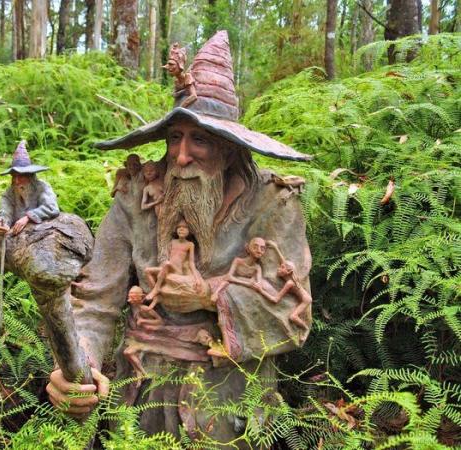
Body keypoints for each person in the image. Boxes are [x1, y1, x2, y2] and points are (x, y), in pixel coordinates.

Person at [47, 31, 313, 446]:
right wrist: (80, 365)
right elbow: (96, 299)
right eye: (175, 137)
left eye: (199, 139)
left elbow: (292, 311)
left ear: (229, 148)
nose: (182, 155)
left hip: (230, 406)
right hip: (140, 400)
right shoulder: (136, 194)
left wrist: (209, 296)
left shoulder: (272, 202)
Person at [0, 140, 59, 236]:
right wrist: (2, 222)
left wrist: (28, 217)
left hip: (42, 230)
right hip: (17, 234)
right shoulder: (10, 192)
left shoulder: (42, 187)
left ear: (30, 176)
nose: (16, 181)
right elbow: (5, 211)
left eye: (21, 176)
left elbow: (51, 207)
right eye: (14, 177)